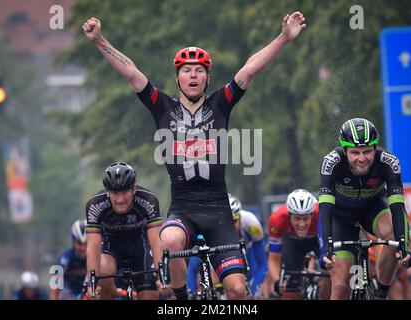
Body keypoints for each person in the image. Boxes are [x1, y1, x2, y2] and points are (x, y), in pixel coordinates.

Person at [82, 10, 306, 300]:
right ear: (177, 77)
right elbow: (131, 72)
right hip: (183, 208)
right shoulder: (162, 107)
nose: (193, 74)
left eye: (199, 70)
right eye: (186, 70)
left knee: (238, 290)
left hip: (218, 211)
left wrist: (285, 38)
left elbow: (250, 69)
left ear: (207, 78)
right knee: (170, 239)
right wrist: (99, 40)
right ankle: (180, 299)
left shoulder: (220, 104)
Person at [317, 118, 411, 300]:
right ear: (345, 151)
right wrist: (325, 250)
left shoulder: (389, 162)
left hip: (373, 209)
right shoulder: (331, 163)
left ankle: (381, 292)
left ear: (375, 149)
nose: (361, 158)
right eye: (355, 152)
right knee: (340, 287)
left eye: (367, 151)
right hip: (341, 218)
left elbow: (398, 207)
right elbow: (324, 209)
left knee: (393, 233)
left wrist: (404, 246)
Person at [85, 162, 164, 300]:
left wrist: (162, 276)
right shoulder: (95, 204)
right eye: (115, 193)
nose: (120, 199)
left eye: (125, 191)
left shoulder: (148, 200)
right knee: (102, 273)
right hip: (111, 246)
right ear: (107, 192)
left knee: (150, 296)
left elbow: (156, 242)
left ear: (134, 189)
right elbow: (92, 248)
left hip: (141, 247)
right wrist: (93, 286)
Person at [186, 194, 267, 299]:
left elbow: (262, 264)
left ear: (240, 217)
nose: (230, 227)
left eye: (234, 221)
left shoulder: (251, 223)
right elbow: (193, 266)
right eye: (225, 222)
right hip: (216, 254)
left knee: (245, 289)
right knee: (213, 280)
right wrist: (191, 293)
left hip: (246, 253)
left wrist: (254, 289)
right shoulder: (207, 226)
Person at [267, 189, 329, 299]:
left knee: (332, 276)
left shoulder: (321, 214)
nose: (301, 224)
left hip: (317, 239)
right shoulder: (277, 219)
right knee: (290, 294)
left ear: (312, 215)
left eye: (306, 218)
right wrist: (278, 282)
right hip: (293, 243)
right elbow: (273, 259)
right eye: (297, 219)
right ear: (289, 215)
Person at [50, 219, 87, 300]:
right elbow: (54, 289)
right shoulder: (63, 258)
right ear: (73, 242)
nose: (83, 248)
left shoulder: (99, 256)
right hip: (71, 293)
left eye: (86, 243)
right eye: (80, 244)